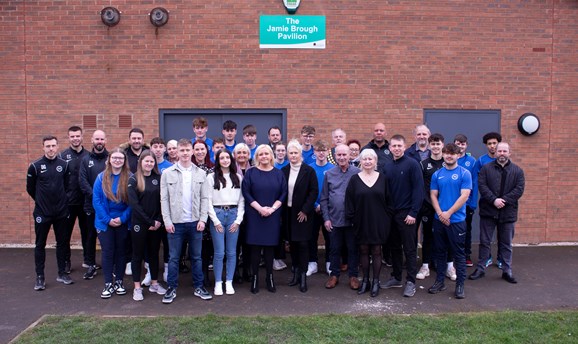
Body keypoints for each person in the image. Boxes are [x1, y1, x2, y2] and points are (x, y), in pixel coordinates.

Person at [161, 139, 212, 304]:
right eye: (181, 150)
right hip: (175, 223)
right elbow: (164, 200)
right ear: (175, 152)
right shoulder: (167, 173)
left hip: (195, 222)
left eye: (187, 150)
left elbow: (205, 198)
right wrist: (167, 221)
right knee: (174, 258)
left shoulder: (200, 173)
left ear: (192, 152)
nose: (184, 153)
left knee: (197, 257)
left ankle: (199, 287)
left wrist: (203, 219)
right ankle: (171, 288)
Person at [469, 143, 525, 284]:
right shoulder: (486, 169)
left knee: (506, 243)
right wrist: (494, 200)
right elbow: (482, 186)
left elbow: (519, 189)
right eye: (499, 151)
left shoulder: (517, 171)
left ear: (509, 153)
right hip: (489, 211)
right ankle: (481, 268)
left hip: (508, 213)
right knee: (485, 242)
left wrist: (504, 200)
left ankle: (507, 270)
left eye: (504, 151)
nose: (501, 153)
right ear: (496, 153)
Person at [380, 135, 424, 298]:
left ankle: (411, 281)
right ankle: (397, 277)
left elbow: (418, 190)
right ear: (390, 148)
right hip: (391, 215)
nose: (397, 148)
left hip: (408, 215)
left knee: (410, 249)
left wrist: (413, 212)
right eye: (394, 146)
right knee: (394, 248)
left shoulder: (413, 164)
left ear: (404, 147)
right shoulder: (387, 166)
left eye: (399, 145)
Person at [345, 149, 393, 297]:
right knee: (364, 251)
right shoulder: (354, 179)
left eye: (370, 159)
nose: (367, 162)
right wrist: (352, 219)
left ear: (375, 161)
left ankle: (376, 282)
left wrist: (386, 220)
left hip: (379, 222)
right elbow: (349, 202)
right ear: (361, 161)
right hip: (361, 221)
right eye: (364, 159)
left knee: (377, 251)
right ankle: (365, 280)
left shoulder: (383, 179)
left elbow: (389, 202)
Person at [27, 135, 72, 290]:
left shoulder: (64, 165)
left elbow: (67, 187)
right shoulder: (35, 166)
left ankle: (62, 273)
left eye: (53, 145)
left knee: (62, 243)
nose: (51, 149)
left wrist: (61, 202)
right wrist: (41, 201)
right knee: (40, 244)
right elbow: (30, 189)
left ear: (57, 146)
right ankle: (40, 277)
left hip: (61, 212)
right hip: (42, 213)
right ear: (43, 147)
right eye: (48, 146)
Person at [428, 143, 472, 299]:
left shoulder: (464, 174)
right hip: (439, 220)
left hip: (456, 221)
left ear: (458, 155)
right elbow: (433, 195)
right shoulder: (437, 174)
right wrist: (440, 213)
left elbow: (464, 196)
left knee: (458, 255)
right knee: (440, 253)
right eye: (446, 153)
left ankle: (460, 285)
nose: (449, 156)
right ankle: (440, 281)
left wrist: (449, 213)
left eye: (452, 153)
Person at [241, 144, 287, 294]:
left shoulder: (278, 173)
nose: (264, 156)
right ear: (257, 157)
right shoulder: (250, 173)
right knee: (254, 248)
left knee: (269, 249)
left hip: (272, 216)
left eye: (267, 154)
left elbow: (283, 193)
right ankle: (254, 278)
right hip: (255, 215)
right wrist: (260, 209)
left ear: (271, 156)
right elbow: (246, 193)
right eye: (261, 154)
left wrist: (272, 209)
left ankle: (269, 278)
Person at [92, 148, 132, 298]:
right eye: (114, 158)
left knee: (121, 253)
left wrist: (122, 219)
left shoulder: (130, 177)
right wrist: (108, 220)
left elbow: (133, 203)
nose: (117, 160)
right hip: (104, 223)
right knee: (108, 252)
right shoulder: (101, 178)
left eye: (120, 158)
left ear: (124, 161)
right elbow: (96, 201)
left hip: (123, 221)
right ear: (109, 159)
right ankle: (108, 283)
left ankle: (119, 282)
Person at [128, 150, 167, 301]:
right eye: (146, 161)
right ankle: (137, 288)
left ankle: (154, 283)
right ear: (141, 162)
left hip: (156, 224)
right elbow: (135, 206)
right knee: (137, 255)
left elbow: (161, 201)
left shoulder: (158, 178)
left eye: (152, 161)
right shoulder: (134, 180)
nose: (149, 164)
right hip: (140, 224)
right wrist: (149, 222)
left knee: (154, 254)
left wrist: (157, 220)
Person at [321, 144, 361, 290]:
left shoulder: (358, 173)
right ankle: (334, 275)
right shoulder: (329, 174)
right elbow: (324, 198)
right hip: (334, 220)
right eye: (339, 155)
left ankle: (353, 276)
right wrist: (326, 218)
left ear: (350, 155)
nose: (342, 157)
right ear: (335, 156)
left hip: (352, 221)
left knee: (352, 249)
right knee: (334, 249)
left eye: (344, 155)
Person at [207, 150, 245, 296]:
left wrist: (238, 220)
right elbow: (208, 200)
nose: (225, 160)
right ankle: (218, 282)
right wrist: (215, 220)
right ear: (217, 160)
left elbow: (242, 200)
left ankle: (228, 281)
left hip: (233, 216)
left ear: (231, 159)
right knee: (219, 252)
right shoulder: (211, 178)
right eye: (221, 158)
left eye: (227, 157)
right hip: (217, 215)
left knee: (231, 252)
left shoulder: (238, 178)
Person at [282, 140, 318, 293]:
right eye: (291, 153)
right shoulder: (283, 170)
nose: (293, 155)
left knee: (303, 244)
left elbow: (313, 192)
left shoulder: (308, 171)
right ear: (287, 154)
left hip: (303, 214)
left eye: (296, 152)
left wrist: (305, 210)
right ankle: (295, 273)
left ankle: (303, 276)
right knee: (293, 244)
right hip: (288, 213)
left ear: (300, 154)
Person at [416, 133, 447, 281]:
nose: (435, 146)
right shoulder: (423, 164)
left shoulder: (448, 163)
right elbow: (420, 187)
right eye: (433, 144)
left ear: (442, 145)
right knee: (428, 236)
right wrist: (428, 203)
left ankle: (447, 265)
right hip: (428, 207)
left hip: (445, 208)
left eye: (438, 143)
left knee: (444, 237)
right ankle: (426, 265)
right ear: (429, 146)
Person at [79, 130, 108, 279]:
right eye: (97, 139)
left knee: (108, 236)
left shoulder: (110, 159)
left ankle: (110, 263)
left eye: (102, 139)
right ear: (92, 140)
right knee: (90, 236)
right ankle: (90, 264)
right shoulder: (85, 160)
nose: (99, 141)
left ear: (105, 140)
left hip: (107, 206)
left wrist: (105, 199)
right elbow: (82, 182)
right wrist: (96, 197)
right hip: (90, 206)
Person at [472, 132, 504, 269]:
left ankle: (502, 259)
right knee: (486, 236)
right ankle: (487, 258)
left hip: (503, 204)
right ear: (486, 145)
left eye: (494, 143)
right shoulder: (481, 161)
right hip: (487, 203)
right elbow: (478, 182)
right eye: (489, 144)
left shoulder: (504, 160)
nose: (492, 146)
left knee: (503, 235)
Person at [59, 126, 88, 274]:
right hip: (68, 203)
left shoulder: (88, 156)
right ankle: (65, 262)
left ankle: (88, 261)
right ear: (69, 138)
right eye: (72, 136)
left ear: (82, 136)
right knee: (65, 235)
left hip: (85, 202)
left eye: (78, 136)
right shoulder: (62, 156)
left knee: (87, 233)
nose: (75, 138)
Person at [307, 140, 334, 276]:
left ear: (328, 151)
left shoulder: (332, 169)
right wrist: (315, 205)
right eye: (318, 150)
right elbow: (306, 191)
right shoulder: (309, 168)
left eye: (324, 150)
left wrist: (324, 206)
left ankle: (329, 262)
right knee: (312, 236)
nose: (321, 153)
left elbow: (334, 191)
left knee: (329, 236)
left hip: (328, 210)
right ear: (314, 152)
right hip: (313, 208)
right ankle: (312, 263)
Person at [150, 137, 172, 282]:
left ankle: (167, 269)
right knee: (152, 245)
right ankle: (150, 273)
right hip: (151, 212)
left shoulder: (170, 167)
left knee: (168, 242)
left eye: (160, 146)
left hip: (168, 212)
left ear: (164, 149)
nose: (158, 149)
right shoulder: (147, 165)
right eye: (155, 146)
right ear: (151, 148)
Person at [454, 134, 477, 267]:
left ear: (466, 145)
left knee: (466, 230)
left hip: (466, 203)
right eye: (458, 143)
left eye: (463, 144)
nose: (460, 146)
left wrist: (472, 203)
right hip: (452, 203)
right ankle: (451, 256)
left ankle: (466, 255)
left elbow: (474, 182)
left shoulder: (472, 161)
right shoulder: (449, 159)